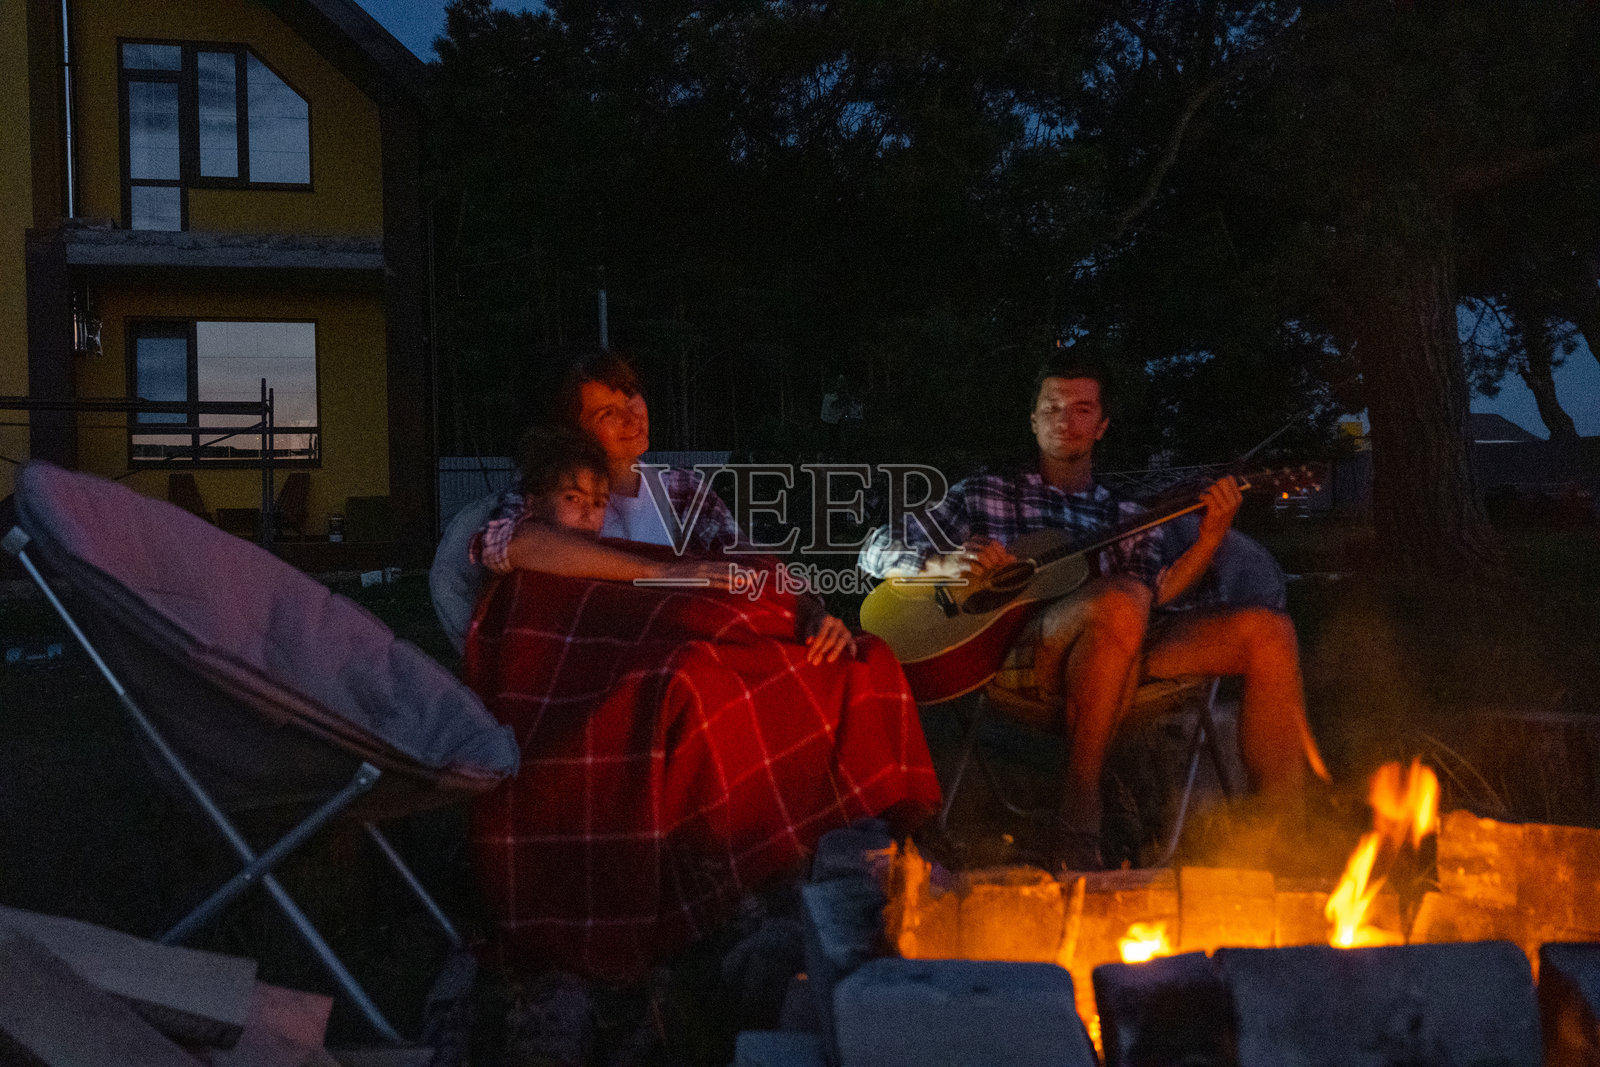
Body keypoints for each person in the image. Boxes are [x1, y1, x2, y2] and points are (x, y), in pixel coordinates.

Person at [858, 355, 1328, 869]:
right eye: (1053, 407)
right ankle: (1080, 808)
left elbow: (1162, 592)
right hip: (1025, 657)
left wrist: (1209, 538)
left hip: (1125, 646)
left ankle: (1287, 835)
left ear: (1102, 425)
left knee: (1269, 630)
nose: (1066, 420)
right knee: (1122, 597)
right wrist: (945, 562)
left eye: (1082, 409)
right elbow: (875, 550)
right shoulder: (984, 494)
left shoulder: (1125, 515)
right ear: (1033, 420)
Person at [509, 421, 857, 664]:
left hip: (692, 636)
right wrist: (664, 572)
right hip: (650, 658)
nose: (630, 417)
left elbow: (745, 559)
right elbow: (510, 545)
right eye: (606, 413)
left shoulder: (679, 489)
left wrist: (806, 610)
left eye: (599, 503)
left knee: (862, 657)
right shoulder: (519, 525)